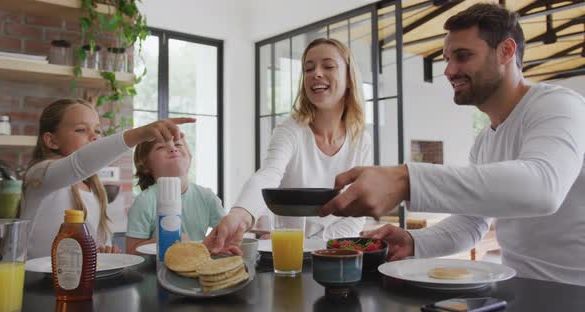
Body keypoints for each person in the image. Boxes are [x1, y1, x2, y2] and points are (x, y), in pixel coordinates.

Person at [320, 3, 585, 286]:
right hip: (513, 289)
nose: (448, 70)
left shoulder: (559, 105)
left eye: (462, 56)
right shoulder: (484, 141)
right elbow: (470, 224)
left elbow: (543, 188)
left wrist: (407, 179)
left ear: (506, 51)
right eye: (447, 58)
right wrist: (411, 240)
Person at [204, 38, 372, 254]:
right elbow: (268, 175)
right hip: (284, 252)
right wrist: (239, 214)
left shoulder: (361, 140)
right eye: (308, 68)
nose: (316, 73)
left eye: (328, 66)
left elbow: (356, 212)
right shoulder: (290, 130)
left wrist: (316, 244)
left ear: (349, 78)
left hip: (331, 251)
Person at [21, 98, 195, 259]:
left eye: (97, 130)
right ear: (51, 141)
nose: (94, 136)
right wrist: (139, 134)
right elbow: (79, 162)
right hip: (29, 284)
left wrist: (107, 251)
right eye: (81, 129)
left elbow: (97, 246)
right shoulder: (39, 175)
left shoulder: (92, 187)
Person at [125, 136, 225, 254]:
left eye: (178, 145)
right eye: (161, 147)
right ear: (145, 164)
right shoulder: (145, 201)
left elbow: (225, 234)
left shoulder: (207, 197)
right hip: (157, 270)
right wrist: (167, 241)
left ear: (189, 156)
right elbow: (131, 251)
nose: (173, 149)